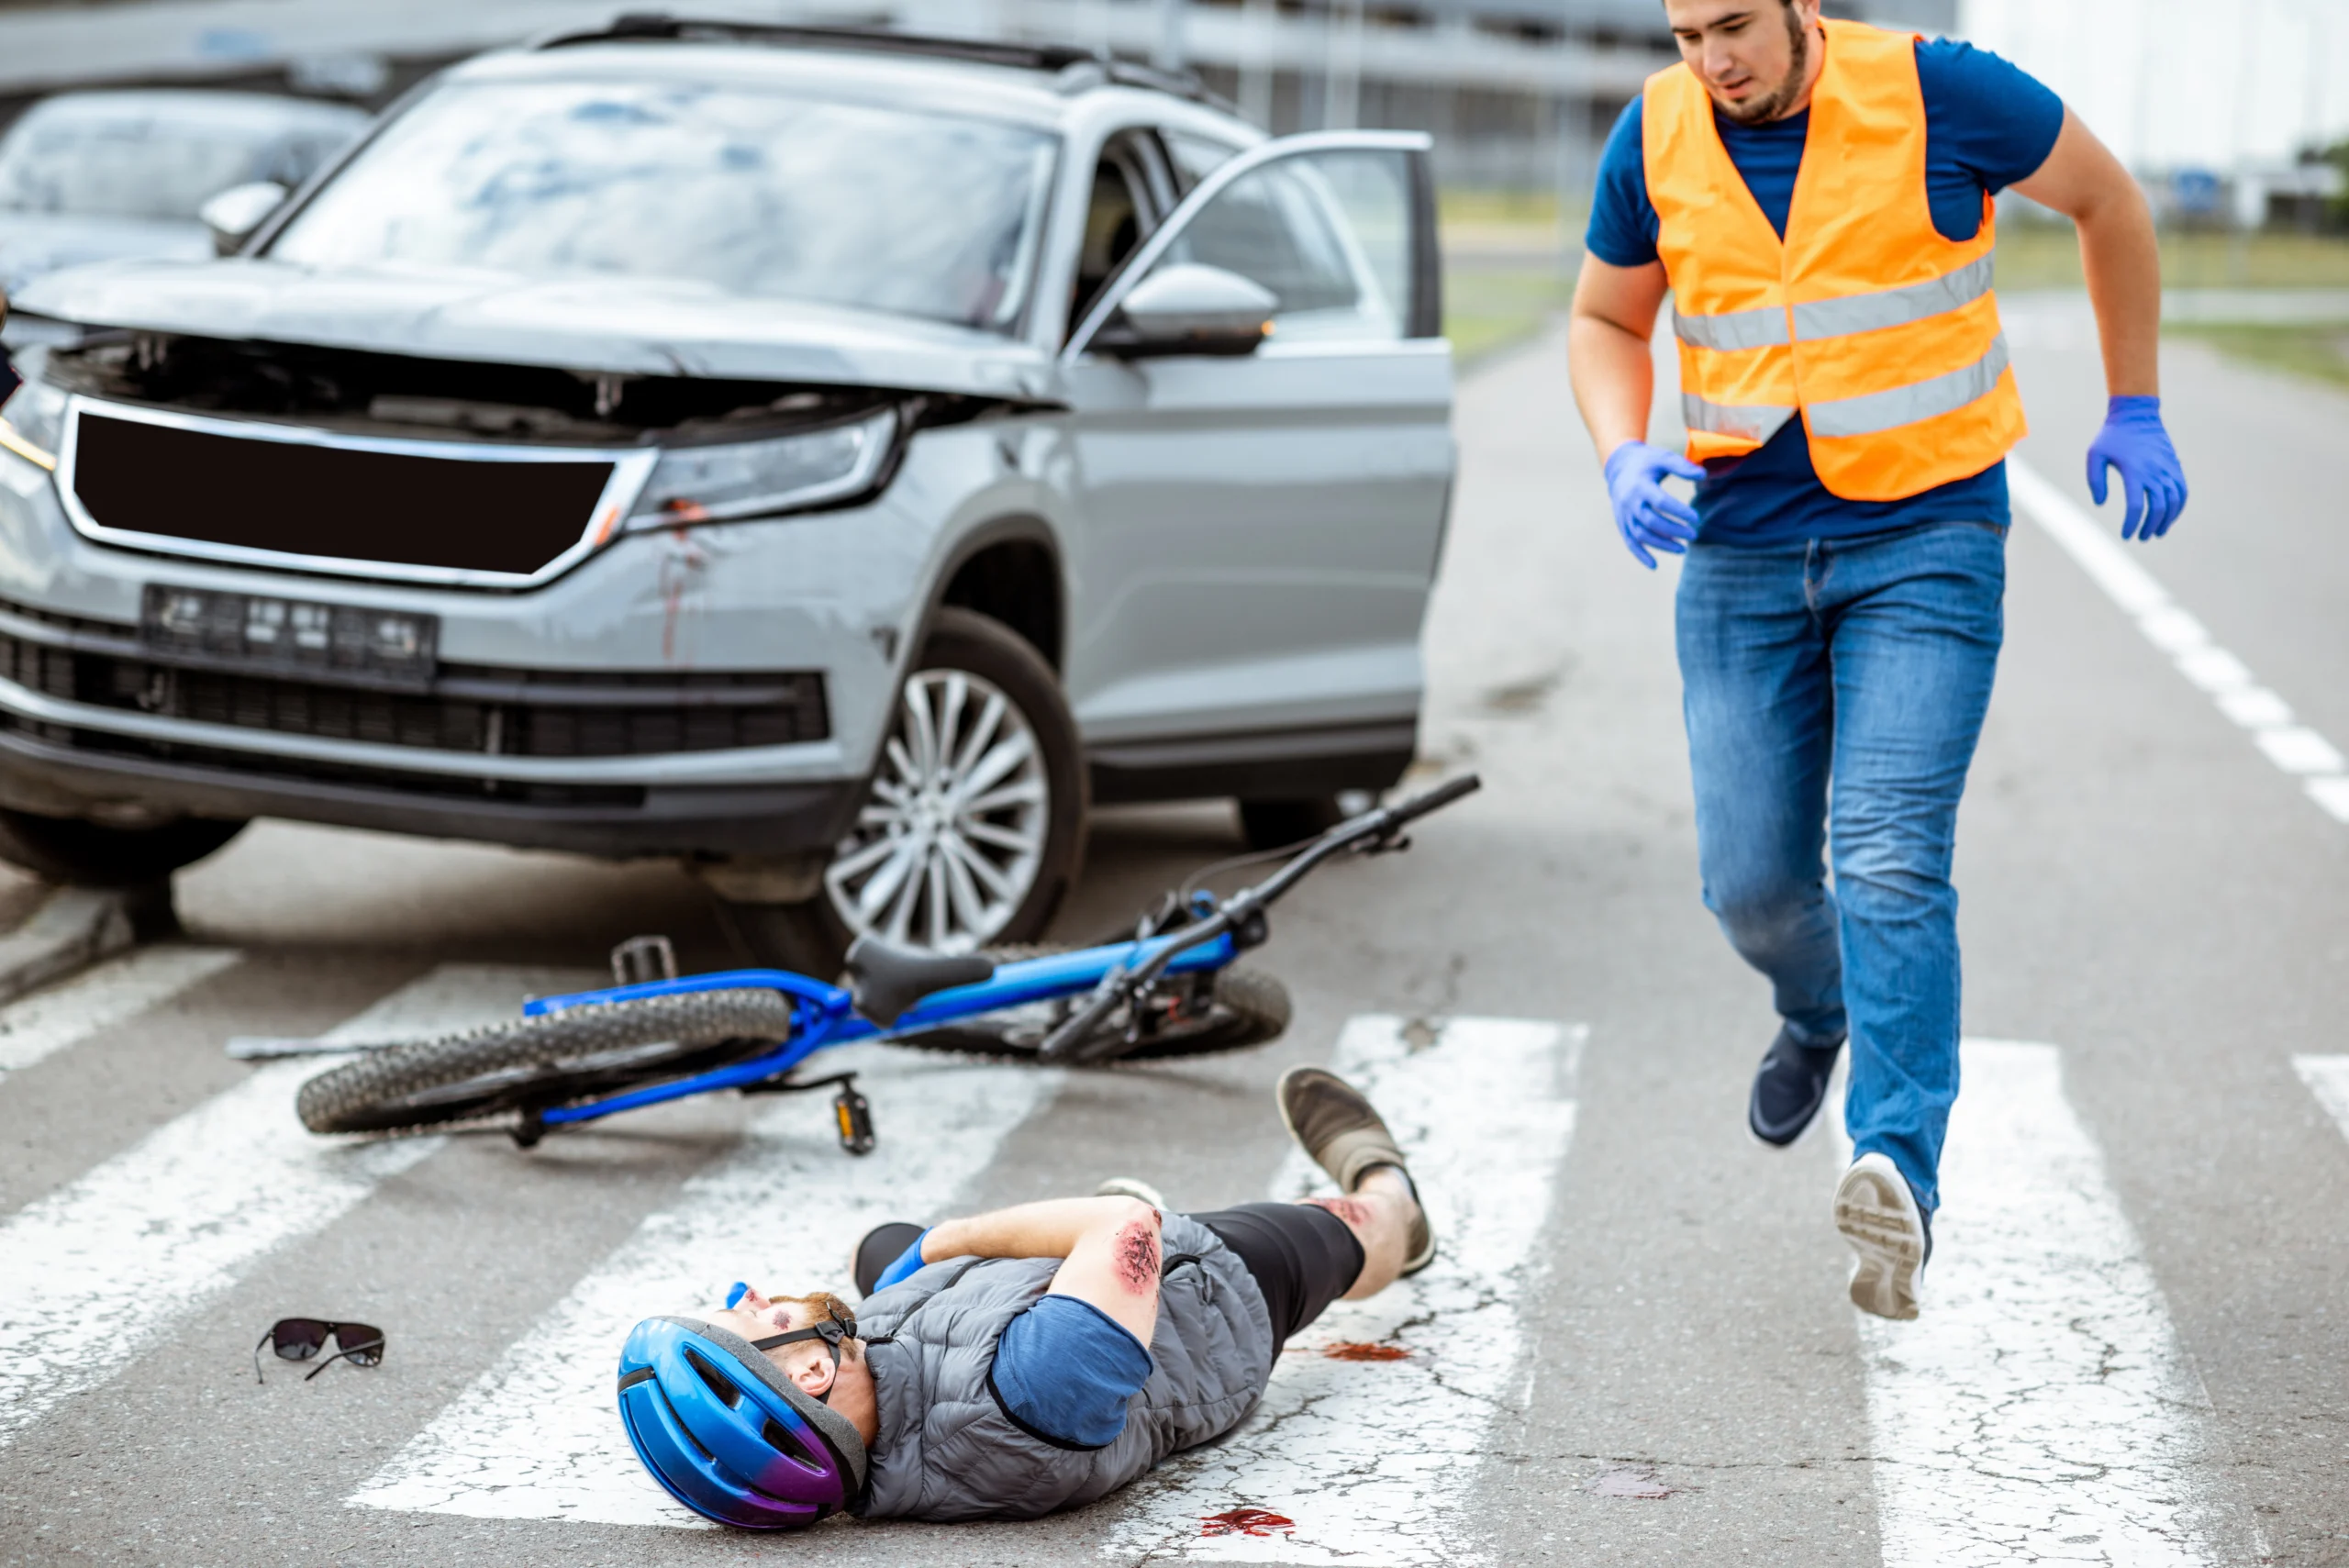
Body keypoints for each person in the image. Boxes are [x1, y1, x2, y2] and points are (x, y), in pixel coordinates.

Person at [1566, 1, 2188, 1320]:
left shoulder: (1938, 89)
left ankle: (1895, 1164)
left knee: (1893, 850)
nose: (1709, 60)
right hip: (1738, 559)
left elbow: (2108, 201)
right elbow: (1607, 321)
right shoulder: (1657, 128)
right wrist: (1623, 451)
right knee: (1749, 885)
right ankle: (1818, 1006)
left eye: (1731, 26)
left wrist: (2134, 401)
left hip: (1926, 539)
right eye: (1683, 34)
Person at [615, 1067, 1434, 1528]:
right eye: (760, 1317)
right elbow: (1127, 1222)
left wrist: (923, 1258)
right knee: (1348, 1229)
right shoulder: (1031, 1391)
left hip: (970, 1325)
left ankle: (1091, 1281)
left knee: (880, 1250)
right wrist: (955, 1235)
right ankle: (1390, 1185)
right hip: (1213, 1298)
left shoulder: (868, 1383)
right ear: (808, 1378)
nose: (759, 1294)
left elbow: (909, 1314)